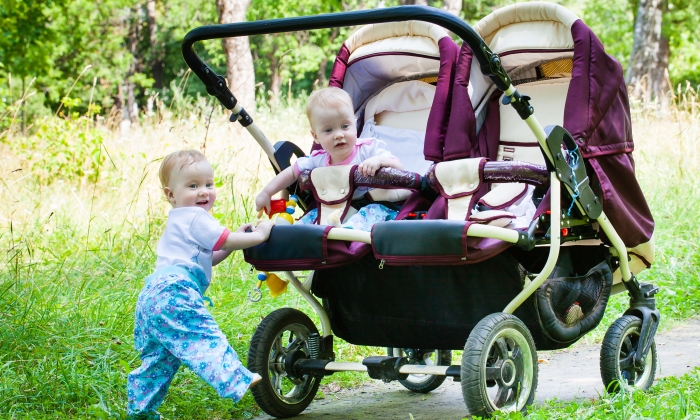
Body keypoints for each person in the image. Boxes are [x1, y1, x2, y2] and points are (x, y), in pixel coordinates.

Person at [127, 150, 273, 419]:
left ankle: (140, 411)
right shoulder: (195, 217)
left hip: (152, 296)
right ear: (170, 194)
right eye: (192, 186)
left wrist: (231, 242)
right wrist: (260, 235)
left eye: (208, 184)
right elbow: (225, 240)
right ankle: (234, 378)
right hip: (175, 293)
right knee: (202, 336)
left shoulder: (179, 220)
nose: (203, 192)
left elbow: (212, 255)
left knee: (158, 361)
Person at [255, 87, 403, 230]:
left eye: (345, 126)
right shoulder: (317, 160)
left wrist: (379, 161)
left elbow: (399, 168)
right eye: (328, 130)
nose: (338, 134)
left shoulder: (369, 149)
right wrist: (266, 193)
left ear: (355, 123)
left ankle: (343, 231)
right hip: (332, 207)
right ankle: (297, 234)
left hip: (370, 205)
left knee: (371, 215)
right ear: (315, 136)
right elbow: (292, 172)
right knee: (310, 218)